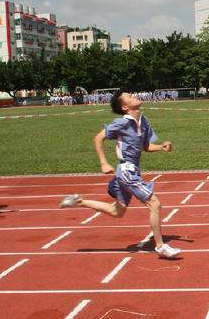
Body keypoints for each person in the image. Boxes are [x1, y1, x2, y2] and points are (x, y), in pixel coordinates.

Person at [59, 91, 181, 258]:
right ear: (125, 107)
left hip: (130, 171)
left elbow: (145, 146)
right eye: (130, 96)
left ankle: (79, 201)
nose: (134, 96)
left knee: (117, 212)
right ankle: (160, 247)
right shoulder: (121, 123)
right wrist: (103, 162)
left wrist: (161, 147)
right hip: (126, 171)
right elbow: (98, 138)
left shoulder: (143, 121)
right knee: (155, 204)